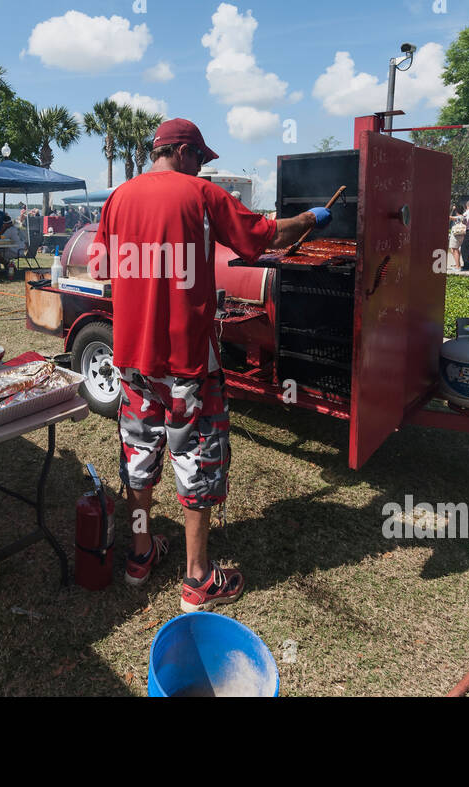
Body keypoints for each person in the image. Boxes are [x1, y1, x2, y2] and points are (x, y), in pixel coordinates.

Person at [90, 118, 328, 612]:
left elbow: (101, 267)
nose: (202, 167)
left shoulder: (117, 199)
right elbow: (265, 239)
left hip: (133, 361)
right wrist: (311, 218)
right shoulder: (202, 195)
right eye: (200, 157)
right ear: (180, 151)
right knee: (195, 462)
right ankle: (198, 580)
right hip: (188, 364)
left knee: (139, 461)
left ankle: (139, 555)